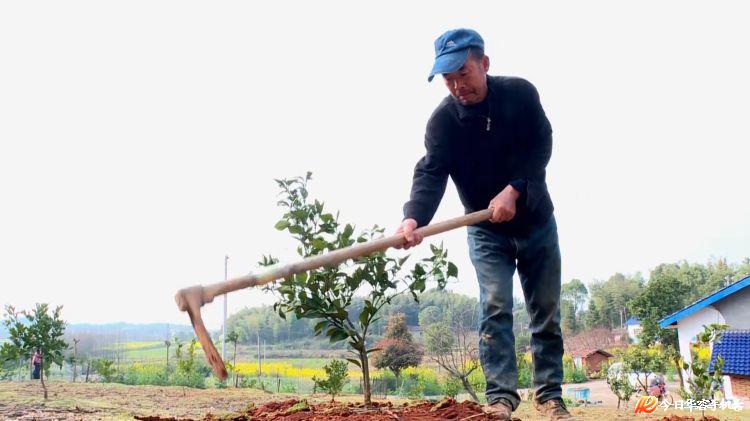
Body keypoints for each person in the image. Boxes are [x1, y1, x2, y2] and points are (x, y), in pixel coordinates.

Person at [397, 28, 572, 420]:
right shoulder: (443, 123)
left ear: (484, 64)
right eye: (449, 79)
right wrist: (413, 217)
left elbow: (541, 143)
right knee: (494, 306)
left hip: (536, 223)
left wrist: (515, 188)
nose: (458, 86)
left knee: (545, 309)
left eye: (464, 73)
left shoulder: (520, 95)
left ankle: (549, 395)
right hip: (486, 231)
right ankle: (502, 398)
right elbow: (430, 173)